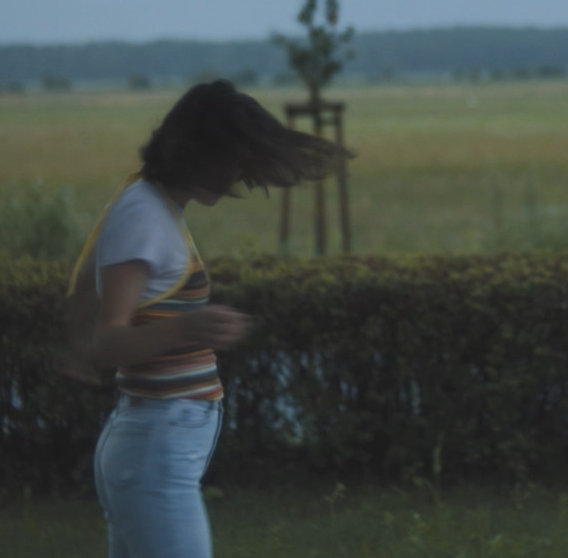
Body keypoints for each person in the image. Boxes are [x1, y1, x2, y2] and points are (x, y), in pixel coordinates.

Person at [58, 80, 351, 558]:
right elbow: (107, 342)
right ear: (201, 152)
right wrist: (189, 327)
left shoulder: (149, 206)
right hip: (154, 451)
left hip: (151, 445)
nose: (240, 172)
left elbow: (92, 279)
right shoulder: (145, 215)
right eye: (234, 157)